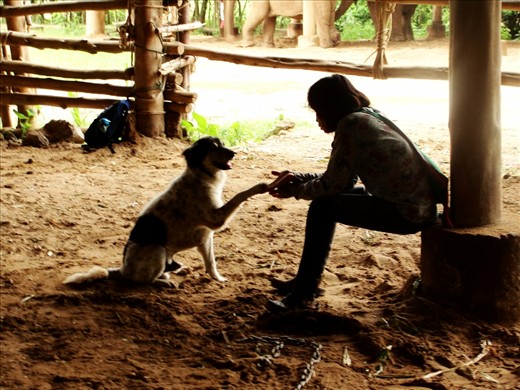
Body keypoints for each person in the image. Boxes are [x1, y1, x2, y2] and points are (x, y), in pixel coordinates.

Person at [266, 74, 441, 312]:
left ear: (329, 107)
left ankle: (304, 293)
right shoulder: (369, 116)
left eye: (318, 111)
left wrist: (295, 190)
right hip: (414, 203)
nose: (317, 119)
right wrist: (300, 177)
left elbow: (334, 186)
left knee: (322, 207)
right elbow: (342, 178)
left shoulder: (350, 126)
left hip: (406, 212)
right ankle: (306, 283)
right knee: (325, 204)